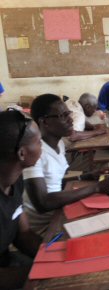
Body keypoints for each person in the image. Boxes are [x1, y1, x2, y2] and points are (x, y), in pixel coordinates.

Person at [22, 94, 109, 237]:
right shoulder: (35, 154)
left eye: (68, 113)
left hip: (60, 212)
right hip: (46, 229)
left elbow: (55, 184)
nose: (70, 119)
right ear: (44, 122)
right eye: (63, 115)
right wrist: (95, 187)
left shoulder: (58, 144)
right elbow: (43, 202)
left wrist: (85, 177)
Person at [0, 110, 42, 289]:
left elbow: (23, 234)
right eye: (39, 142)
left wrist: (54, 255)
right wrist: (48, 273)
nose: (42, 146)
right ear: (22, 153)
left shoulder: (14, 181)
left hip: (9, 261)